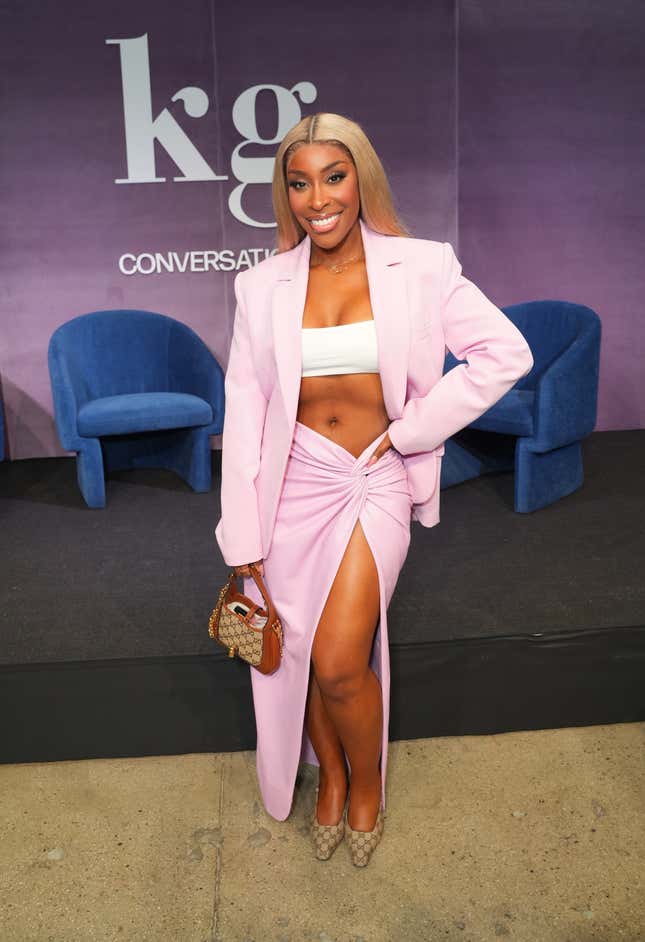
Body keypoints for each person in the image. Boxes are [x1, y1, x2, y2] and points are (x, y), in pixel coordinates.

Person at [215, 112, 534, 866]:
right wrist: (242, 538)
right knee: (292, 650)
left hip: (371, 479)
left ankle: (366, 790)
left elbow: (503, 352)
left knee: (335, 659)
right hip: (288, 486)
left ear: (361, 179)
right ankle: (327, 780)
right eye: (299, 182)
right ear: (283, 192)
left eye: (333, 177)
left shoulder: (421, 266)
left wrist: (417, 428)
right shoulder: (258, 286)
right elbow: (247, 410)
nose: (316, 198)